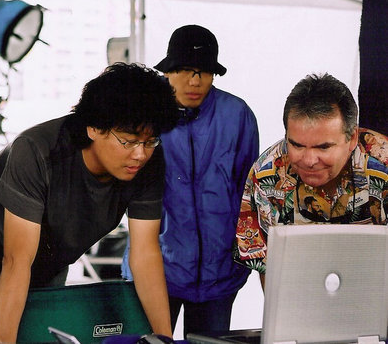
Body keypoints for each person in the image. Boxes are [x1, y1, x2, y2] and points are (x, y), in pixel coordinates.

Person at [0, 63, 179, 342]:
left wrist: (165, 339)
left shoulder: (149, 160)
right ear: (94, 128)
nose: (140, 155)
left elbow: (145, 254)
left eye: (150, 141)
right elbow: (17, 261)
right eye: (129, 141)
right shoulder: (36, 152)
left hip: (53, 246)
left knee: (40, 326)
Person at [124, 25, 259, 337]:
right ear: (168, 70)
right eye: (185, 70)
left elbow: (248, 194)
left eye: (205, 71)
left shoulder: (237, 115)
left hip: (220, 276)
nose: (195, 81)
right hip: (158, 271)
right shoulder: (145, 115)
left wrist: (241, 258)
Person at [233, 73, 387, 288]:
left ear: (351, 138)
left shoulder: (384, 167)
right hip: (299, 291)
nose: (308, 160)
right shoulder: (266, 174)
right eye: (296, 145)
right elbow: (268, 266)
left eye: (323, 147)